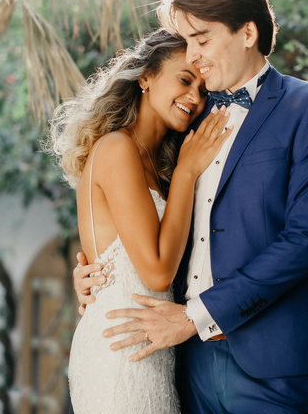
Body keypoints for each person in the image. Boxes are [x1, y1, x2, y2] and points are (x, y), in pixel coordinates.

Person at [74, 0, 308, 413]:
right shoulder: (184, 121)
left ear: (248, 33)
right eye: (186, 43)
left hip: (273, 358)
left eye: (201, 39)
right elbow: (147, 223)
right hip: (182, 363)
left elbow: (306, 241)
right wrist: (96, 275)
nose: (193, 54)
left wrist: (194, 317)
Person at [49, 29, 233, 414]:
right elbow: (157, 273)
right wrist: (186, 173)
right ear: (146, 77)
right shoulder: (118, 148)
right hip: (121, 351)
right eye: (185, 80)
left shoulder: (156, 161)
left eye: (202, 89)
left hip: (151, 349)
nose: (195, 97)